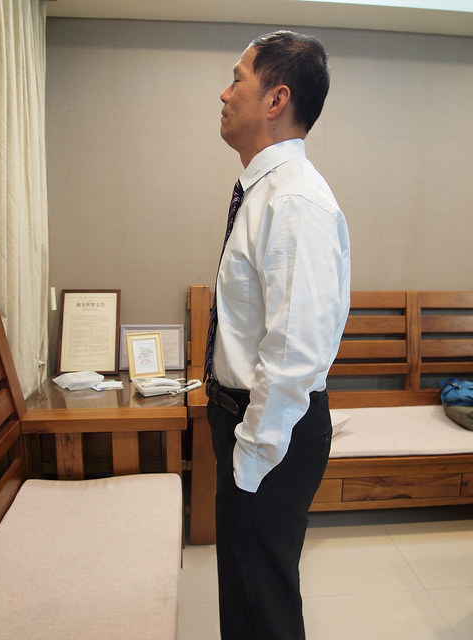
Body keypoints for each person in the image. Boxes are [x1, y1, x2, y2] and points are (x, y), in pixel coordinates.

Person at [204, 30, 350, 640]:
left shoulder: (294, 201)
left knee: (262, 607)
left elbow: (296, 353)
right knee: (246, 597)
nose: (223, 93)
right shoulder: (264, 191)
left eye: (236, 79)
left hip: (270, 431)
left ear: (275, 99)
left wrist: (253, 456)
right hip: (251, 421)